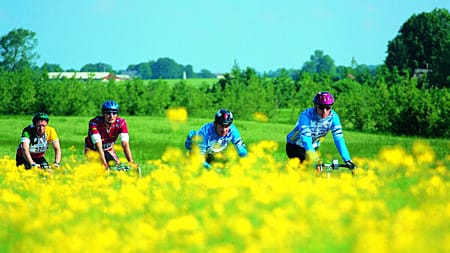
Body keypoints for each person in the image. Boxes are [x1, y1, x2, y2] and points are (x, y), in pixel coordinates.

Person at [286, 91, 356, 169]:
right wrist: (315, 159)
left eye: (328, 108)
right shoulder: (306, 116)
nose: (324, 111)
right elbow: (306, 139)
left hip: (313, 146)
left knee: (319, 171)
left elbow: (338, 138)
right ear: (315, 105)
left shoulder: (334, 117)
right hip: (295, 146)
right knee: (304, 170)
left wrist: (347, 159)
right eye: (321, 107)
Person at [84, 100, 136, 168]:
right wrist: (104, 163)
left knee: (116, 168)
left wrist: (131, 162)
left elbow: (125, 143)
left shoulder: (121, 123)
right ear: (103, 114)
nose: (111, 116)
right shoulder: (94, 123)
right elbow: (98, 144)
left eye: (114, 113)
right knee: (99, 169)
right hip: (92, 149)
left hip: (108, 149)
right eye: (108, 113)